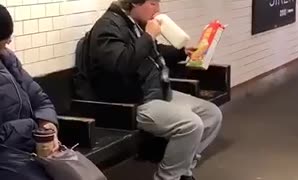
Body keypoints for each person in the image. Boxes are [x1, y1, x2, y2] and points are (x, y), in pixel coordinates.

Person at [74, 0, 223, 179]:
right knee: (191, 124)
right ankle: (167, 177)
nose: (158, 9)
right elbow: (122, 63)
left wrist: (183, 52)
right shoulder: (107, 27)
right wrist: (148, 36)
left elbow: (152, 52)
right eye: (153, 3)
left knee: (211, 115)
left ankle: (182, 170)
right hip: (132, 102)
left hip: (156, 91)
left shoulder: (132, 23)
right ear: (134, 3)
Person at [0, 4, 59, 180]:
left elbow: (39, 98)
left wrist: (48, 126)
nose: (7, 45)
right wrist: (30, 128)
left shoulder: (8, 60)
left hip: (28, 148)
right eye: (2, 41)